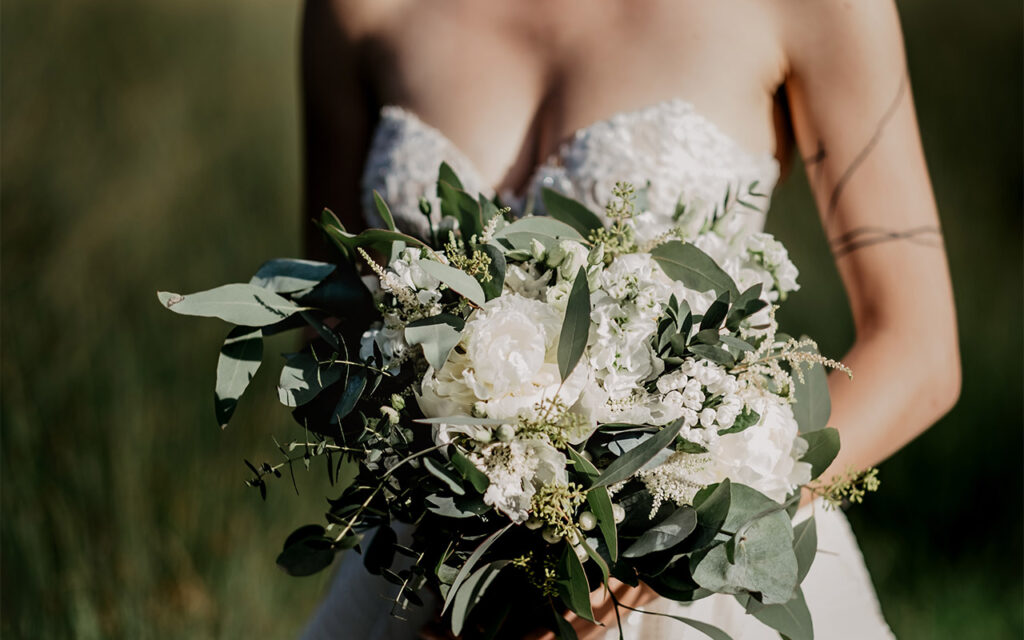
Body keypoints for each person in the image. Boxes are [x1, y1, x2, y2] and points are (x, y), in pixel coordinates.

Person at [299, 1, 960, 637]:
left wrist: (675, 542)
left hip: (701, 589)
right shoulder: (357, 10)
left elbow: (917, 347)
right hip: (439, 582)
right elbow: (330, 328)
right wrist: (471, 506)